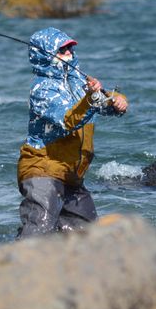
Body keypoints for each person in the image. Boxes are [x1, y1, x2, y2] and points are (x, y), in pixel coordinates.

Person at [17, 27, 128, 238]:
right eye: (62, 50)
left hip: (71, 176)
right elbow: (68, 120)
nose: (69, 53)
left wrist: (117, 100)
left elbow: (103, 102)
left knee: (86, 237)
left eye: (70, 48)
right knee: (36, 234)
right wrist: (90, 98)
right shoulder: (43, 89)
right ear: (45, 55)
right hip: (43, 171)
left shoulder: (78, 81)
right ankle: (10, 268)